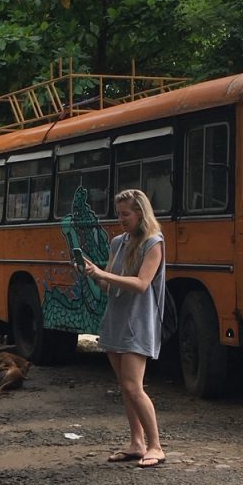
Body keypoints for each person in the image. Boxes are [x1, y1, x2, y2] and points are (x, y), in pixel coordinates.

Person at [82, 189, 167, 468]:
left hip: (138, 320)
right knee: (125, 386)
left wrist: (105, 274)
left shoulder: (153, 243)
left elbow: (142, 284)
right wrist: (93, 274)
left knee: (133, 385)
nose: (121, 219)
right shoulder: (118, 242)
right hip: (116, 318)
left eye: (126, 214)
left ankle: (156, 446)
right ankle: (136, 442)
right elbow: (108, 285)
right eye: (118, 214)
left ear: (140, 213)